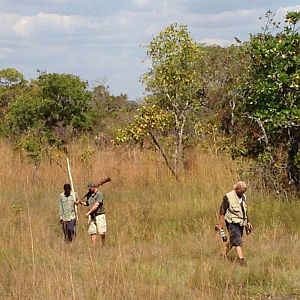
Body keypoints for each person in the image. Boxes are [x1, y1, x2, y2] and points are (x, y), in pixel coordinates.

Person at [216, 181, 253, 265]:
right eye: (242, 190)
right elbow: (222, 211)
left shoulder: (243, 197)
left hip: (241, 222)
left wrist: (248, 222)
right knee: (238, 241)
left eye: (245, 190)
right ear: (237, 188)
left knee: (233, 241)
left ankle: (223, 254)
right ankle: (241, 260)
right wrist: (220, 225)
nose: (244, 192)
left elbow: (244, 211)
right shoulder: (228, 197)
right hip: (232, 223)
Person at [77, 177, 111, 246]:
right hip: (92, 216)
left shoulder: (99, 194)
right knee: (92, 232)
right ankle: (93, 246)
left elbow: (96, 205)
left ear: (94, 187)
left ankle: (103, 244)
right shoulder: (89, 195)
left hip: (99, 215)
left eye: (90, 188)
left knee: (102, 231)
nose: (89, 189)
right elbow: (87, 203)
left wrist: (88, 213)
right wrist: (80, 202)